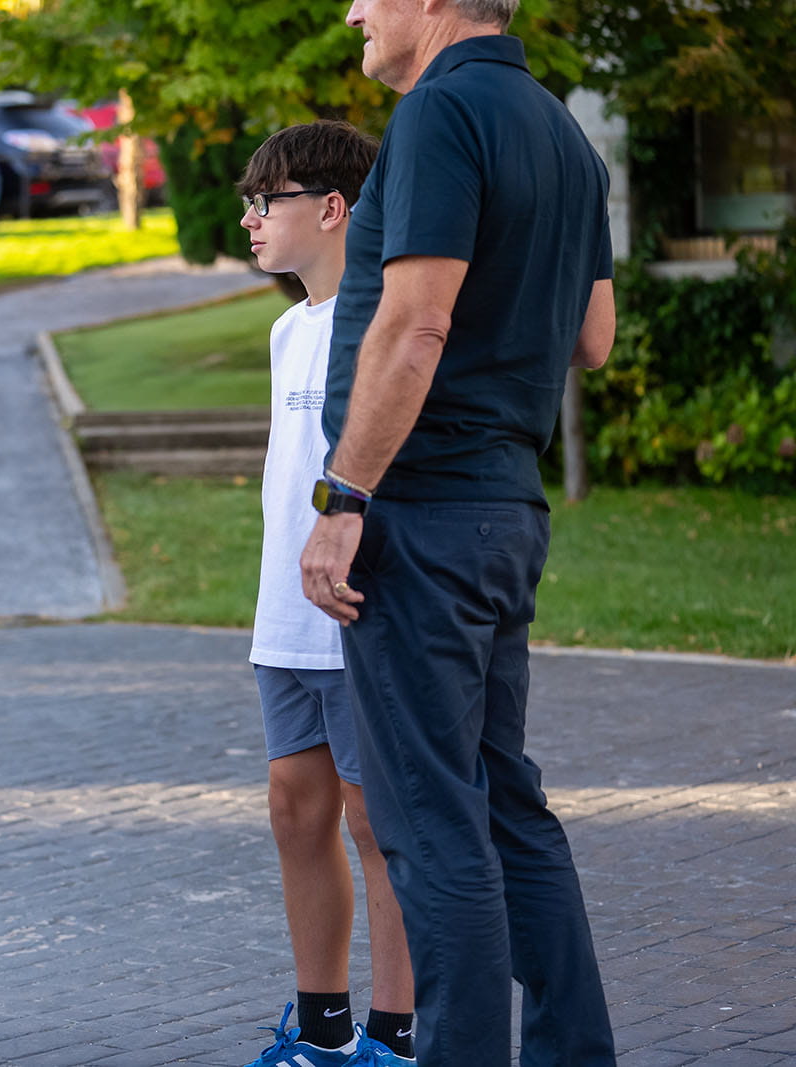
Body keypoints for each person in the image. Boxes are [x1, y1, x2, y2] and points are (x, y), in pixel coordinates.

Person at [299, 0, 619, 1063]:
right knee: (506, 803)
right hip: (503, 510)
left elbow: (417, 321)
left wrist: (342, 499)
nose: (352, 10)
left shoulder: (440, 115)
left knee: (432, 822)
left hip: (421, 513)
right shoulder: (561, 130)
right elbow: (594, 338)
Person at [236, 122, 416, 1067]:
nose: (252, 219)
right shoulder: (285, 327)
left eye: (268, 203)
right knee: (295, 809)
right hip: (283, 614)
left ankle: (396, 1034)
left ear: (333, 207)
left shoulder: (384, 317)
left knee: (375, 822)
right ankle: (322, 1030)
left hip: (357, 608)